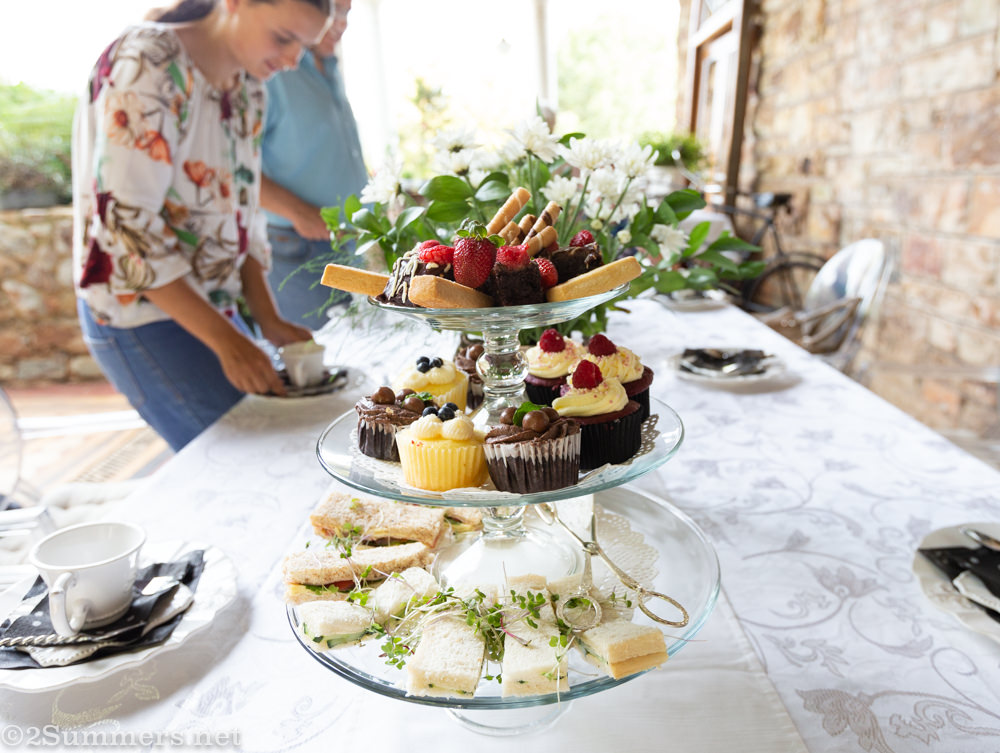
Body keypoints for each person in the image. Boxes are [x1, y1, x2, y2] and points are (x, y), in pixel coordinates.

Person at [72, 0, 335, 451]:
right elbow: (126, 230)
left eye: (303, 47)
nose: (293, 61)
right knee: (242, 462)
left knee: (278, 444)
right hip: (145, 313)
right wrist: (230, 342)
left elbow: (244, 211)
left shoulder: (249, 85)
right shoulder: (148, 60)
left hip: (218, 308)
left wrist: (267, 317)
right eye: (284, 38)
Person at [260, 0, 368, 329]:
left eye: (348, 13)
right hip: (299, 243)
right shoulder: (273, 71)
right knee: (318, 357)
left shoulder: (329, 65)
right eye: (335, 10)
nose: (341, 23)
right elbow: (236, 168)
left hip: (347, 241)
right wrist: (299, 213)